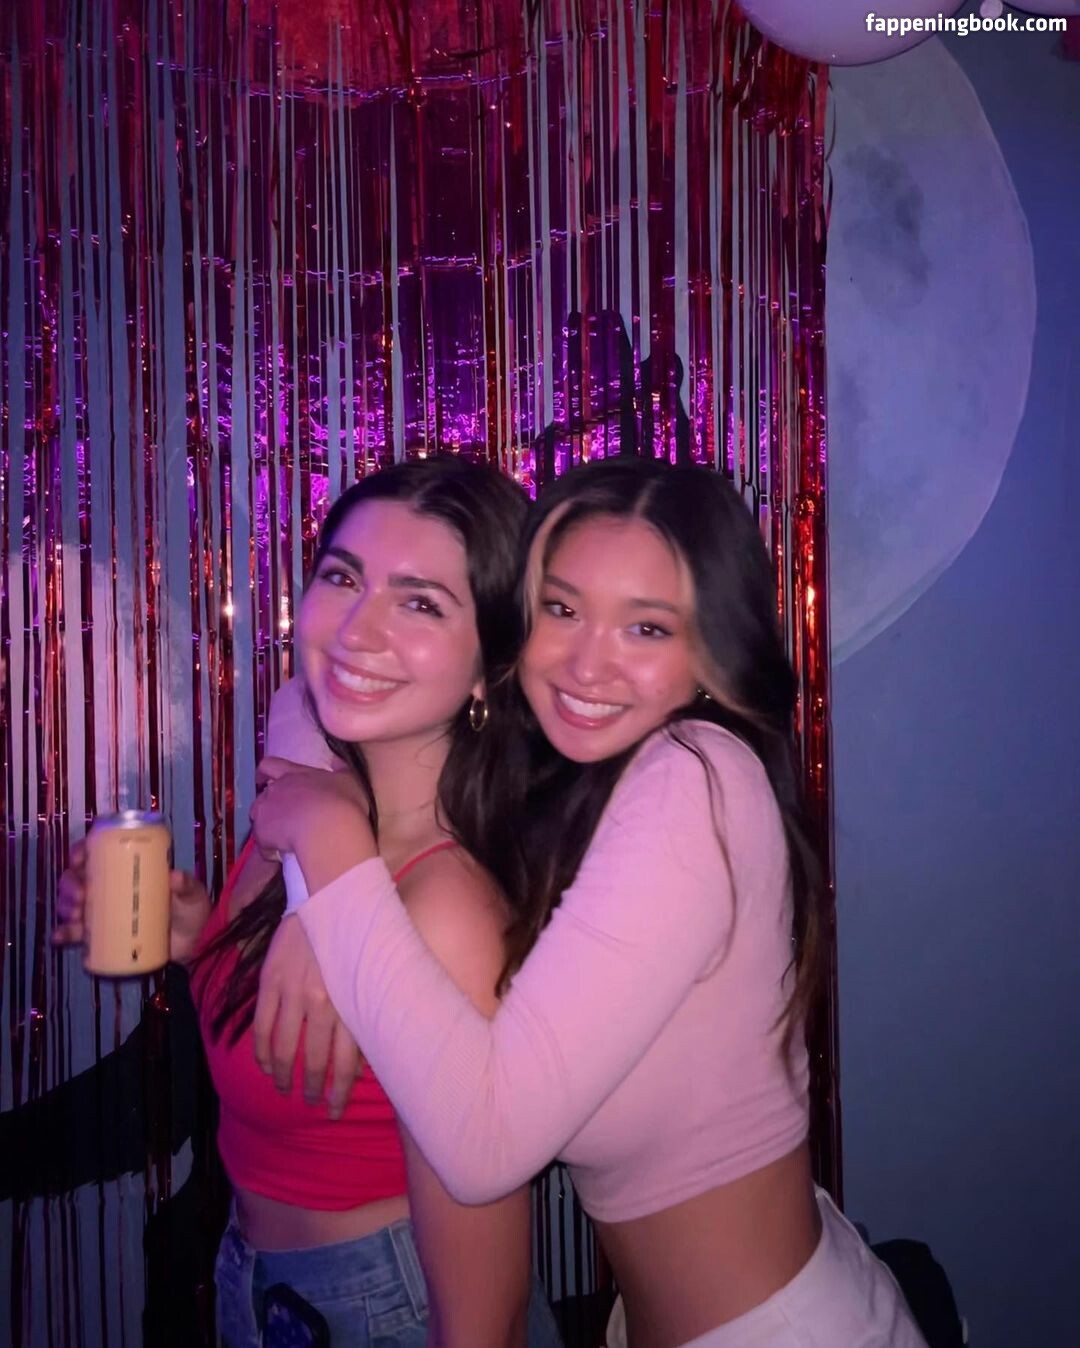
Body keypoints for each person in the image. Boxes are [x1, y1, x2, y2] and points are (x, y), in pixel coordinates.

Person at [248, 456, 929, 1348]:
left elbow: (485, 1148)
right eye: (562, 610)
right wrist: (308, 894)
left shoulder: (696, 780)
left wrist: (331, 848)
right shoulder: (585, 769)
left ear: (713, 652)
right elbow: (316, 695)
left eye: (646, 628)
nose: (585, 663)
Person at [56, 456, 562, 1348]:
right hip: (253, 1276)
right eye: (343, 577)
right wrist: (197, 937)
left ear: (491, 665)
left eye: (421, 603)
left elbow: (484, 1318)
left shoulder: (445, 911)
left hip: (387, 1305)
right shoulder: (304, 811)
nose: (358, 629)